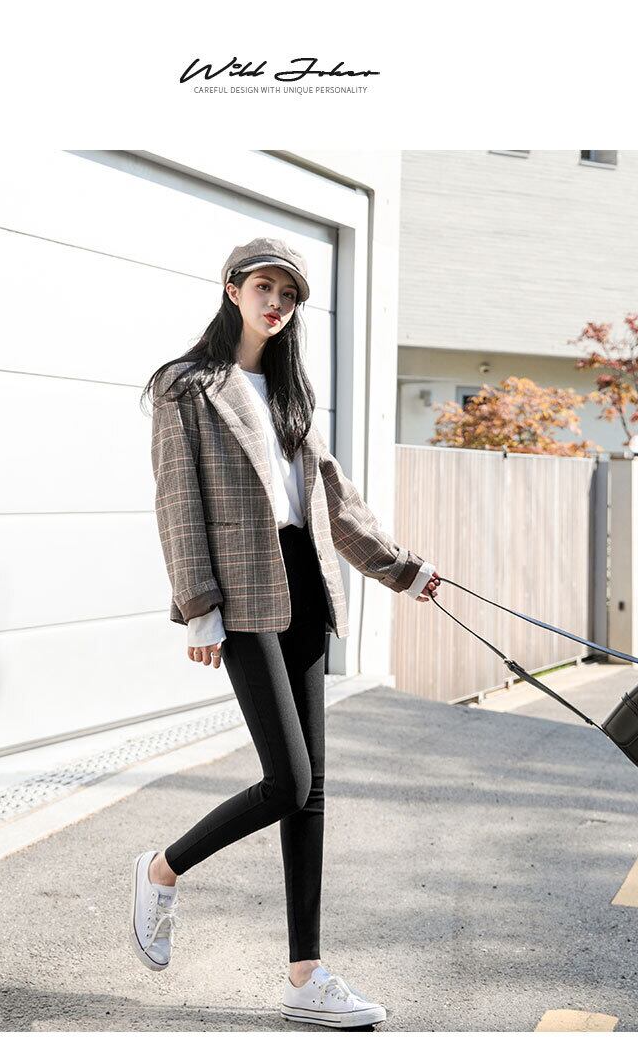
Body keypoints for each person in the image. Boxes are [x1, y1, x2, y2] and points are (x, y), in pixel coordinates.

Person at [133, 237, 440, 1029]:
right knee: (289, 781)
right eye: (264, 287)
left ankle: (306, 974)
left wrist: (405, 570)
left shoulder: (291, 392)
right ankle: (163, 868)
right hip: (240, 592)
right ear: (232, 288)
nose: (276, 303)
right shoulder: (186, 385)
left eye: (289, 294)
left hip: (304, 580)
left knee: (313, 790)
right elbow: (177, 503)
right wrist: (198, 606)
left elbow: (335, 502)